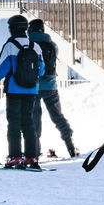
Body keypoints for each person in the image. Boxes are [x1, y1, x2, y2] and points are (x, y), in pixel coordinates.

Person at [0, 14, 44, 170]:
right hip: (32, 89)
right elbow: (41, 71)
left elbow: (1, 70)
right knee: (28, 122)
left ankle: (15, 157)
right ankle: (31, 157)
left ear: (12, 29)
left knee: (14, 123)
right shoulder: (36, 46)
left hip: (14, 90)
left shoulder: (10, 46)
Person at [28, 19, 76, 158]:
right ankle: (70, 147)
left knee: (34, 120)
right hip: (51, 86)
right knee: (58, 118)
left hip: (33, 88)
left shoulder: (27, 44)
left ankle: (34, 153)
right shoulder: (52, 45)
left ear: (30, 30)